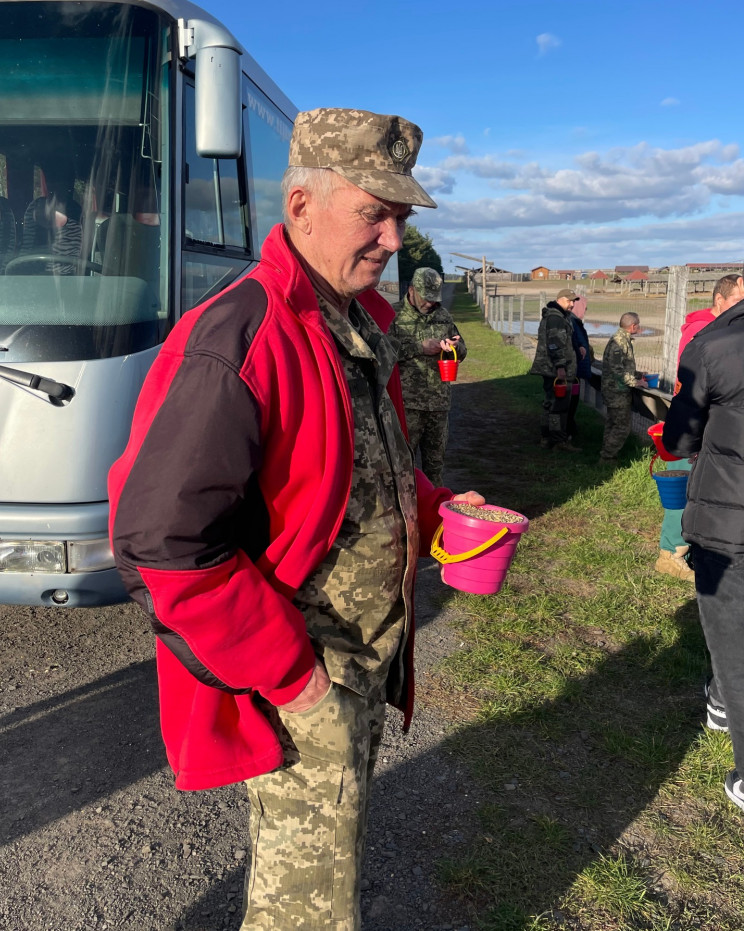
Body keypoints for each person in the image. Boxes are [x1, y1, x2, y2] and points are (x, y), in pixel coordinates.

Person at [108, 108, 485, 929]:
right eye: (373, 212)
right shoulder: (244, 333)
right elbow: (160, 541)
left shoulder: (351, 316)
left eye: (402, 217)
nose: (392, 237)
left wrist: (437, 508)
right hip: (308, 677)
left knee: (326, 883)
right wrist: (294, 678)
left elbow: (364, 465)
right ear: (302, 205)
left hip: (359, 666)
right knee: (307, 914)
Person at [663, 296, 744, 812]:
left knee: (732, 635)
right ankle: (718, 700)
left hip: (728, 520)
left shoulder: (714, 345)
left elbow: (677, 440)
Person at [656, 274, 744, 578]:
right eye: (738, 301)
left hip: (717, 427)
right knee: (688, 487)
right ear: (719, 301)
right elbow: (696, 385)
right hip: (698, 424)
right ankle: (671, 552)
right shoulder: (703, 333)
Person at [388, 266, 467, 486]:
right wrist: (418, 347)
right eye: (426, 297)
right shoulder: (393, 316)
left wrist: (454, 347)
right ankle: (408, 515)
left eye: (434, 298)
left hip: (439, 404)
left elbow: (463, 351)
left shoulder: (443, 316)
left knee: (435, 466)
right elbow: (382, 352)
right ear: (411, 290)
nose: (430, 303)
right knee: (404, 465)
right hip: (406, 405)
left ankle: (434, 515)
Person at [530, 287, 579, 452]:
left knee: (549, 404)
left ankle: (546, 438)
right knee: (559, 407)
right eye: (570, 300)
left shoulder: (556, 316)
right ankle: (559, 442)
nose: (572, 304)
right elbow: (555, 344)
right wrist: (560, 366)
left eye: (573, 301)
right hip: (556, 370)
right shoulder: (556, 318)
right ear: (561, 299)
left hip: (550, 369)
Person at [599, 311, 648, 464]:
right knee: (622, 427)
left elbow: (622, 365)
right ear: (633, 326)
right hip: (616, 391)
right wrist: (635, 382)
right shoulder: (619, 342)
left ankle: (607, 454)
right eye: (638, 325)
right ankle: (607, 457)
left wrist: (637, 374)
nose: (639, 328)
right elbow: (617, 369)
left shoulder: (621, 339)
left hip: (615, 389)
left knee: (613, 423)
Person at [567, 295, 594, 440]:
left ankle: (570, 427)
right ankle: (567, 431)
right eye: (585, 307)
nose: (585, 311)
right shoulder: (571, 322)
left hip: (576, 370)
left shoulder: (574, 321)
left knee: (573, 399)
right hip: (573, 371)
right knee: (571, 400)